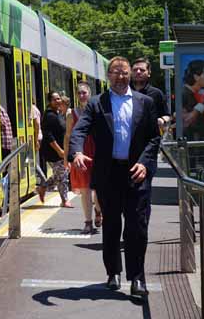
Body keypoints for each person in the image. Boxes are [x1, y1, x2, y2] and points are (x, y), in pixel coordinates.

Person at [69, 56, 160, 296]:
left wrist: (145, 163)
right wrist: (77, 151)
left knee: (137, 227)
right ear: (108, 76)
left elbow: (153, 138)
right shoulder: (97, 103)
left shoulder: (146, 102)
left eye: (124, 72)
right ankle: (113, 272)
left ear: (130, 75)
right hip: (109, 174)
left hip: (136, 173)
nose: (121, 77)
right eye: (115, 72)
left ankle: (137, 278)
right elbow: (80, 130)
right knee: (111, 225)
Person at [64, 81, 102, 234]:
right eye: (79, 93)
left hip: (97, 152)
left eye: (84, 92)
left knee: (98, 188)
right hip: (80, 153)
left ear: (90, 93)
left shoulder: (98, 110)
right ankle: (88, 221)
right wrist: (66, 158)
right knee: (85, 189)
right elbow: (68, 136)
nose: (81, 95)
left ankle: (98, 210)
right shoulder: (70, 114)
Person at [38, 91, 72, 207]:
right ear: (50, 101)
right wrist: (59, 150)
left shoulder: (57, 113)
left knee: (60, 174)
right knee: (63, 175)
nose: (58, 101)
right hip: (53, 151)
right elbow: (48, 136)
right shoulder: (49, 115)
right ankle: (65, 200)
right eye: (55, 99)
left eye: (59, 99)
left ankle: (43, 187)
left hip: (61, 150)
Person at [131, 57, 171, 131]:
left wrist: (162, 120)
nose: (138, 72)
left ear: (149, 73)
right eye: (135, 70)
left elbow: (167, 115)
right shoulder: (124, 92)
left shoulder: (156, 93)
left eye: (142, 70)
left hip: (150, 138)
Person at [181, 60, 204, 141]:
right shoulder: (184, 93)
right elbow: (185, 121)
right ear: (196, 76)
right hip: (192, 144)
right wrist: (201, 105)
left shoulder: (195, 93)